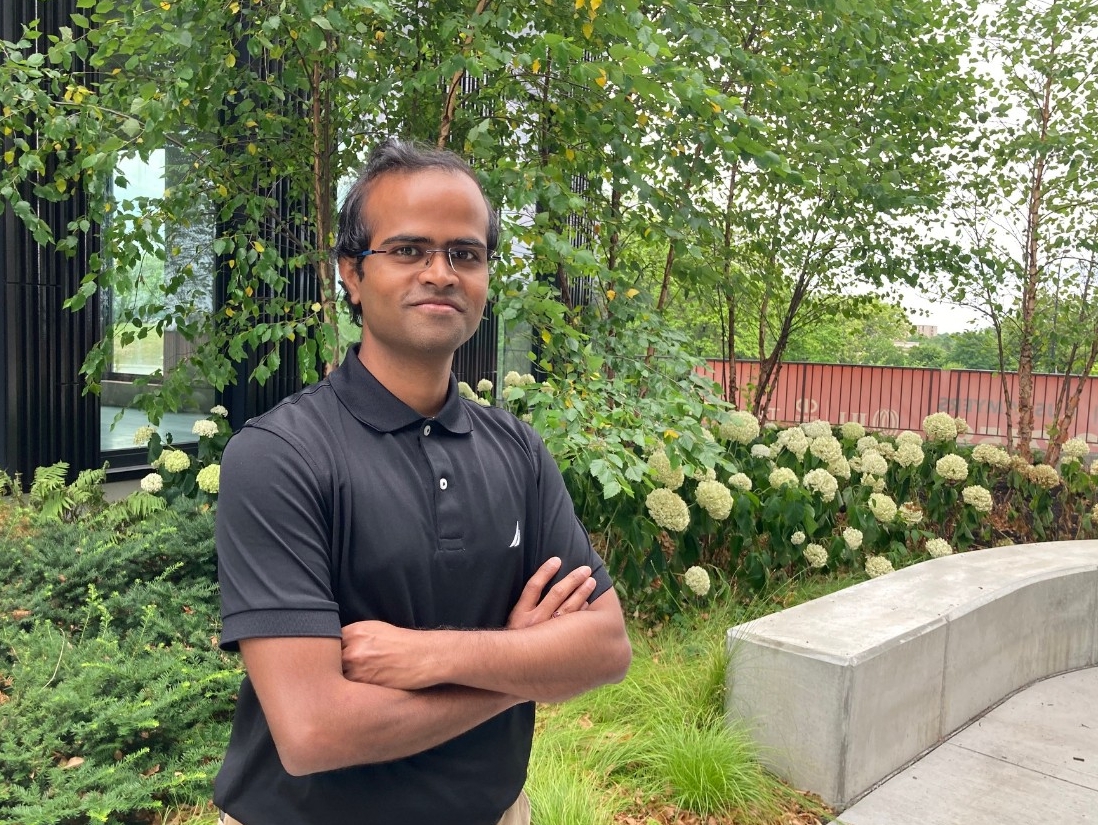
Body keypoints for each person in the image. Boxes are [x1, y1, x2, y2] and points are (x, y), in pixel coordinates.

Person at [213, 137, 632, 825]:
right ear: (352, 272)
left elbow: (606, 646)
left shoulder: (518, 452)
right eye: (408, 250)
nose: (440, 271)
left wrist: (429, 653)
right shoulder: (280, 456)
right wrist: (515, 669)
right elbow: (314, 731)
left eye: (465, 253)